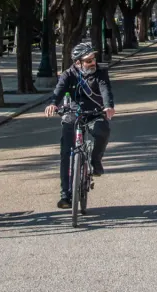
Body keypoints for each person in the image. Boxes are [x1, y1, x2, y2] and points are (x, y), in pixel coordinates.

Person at [45, 42, 115, 209]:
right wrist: (53, 104)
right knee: (65, 152)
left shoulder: (100, 72)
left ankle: (95, 161)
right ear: (78, 62)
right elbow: (59, 90)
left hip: (95, 112)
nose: (93, 62)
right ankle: (66, 196)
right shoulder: (68, 74)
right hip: (73, 113)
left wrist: (108, 106)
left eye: (93, 59)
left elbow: (106, 90)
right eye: (88, 60)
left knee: (102, 131)